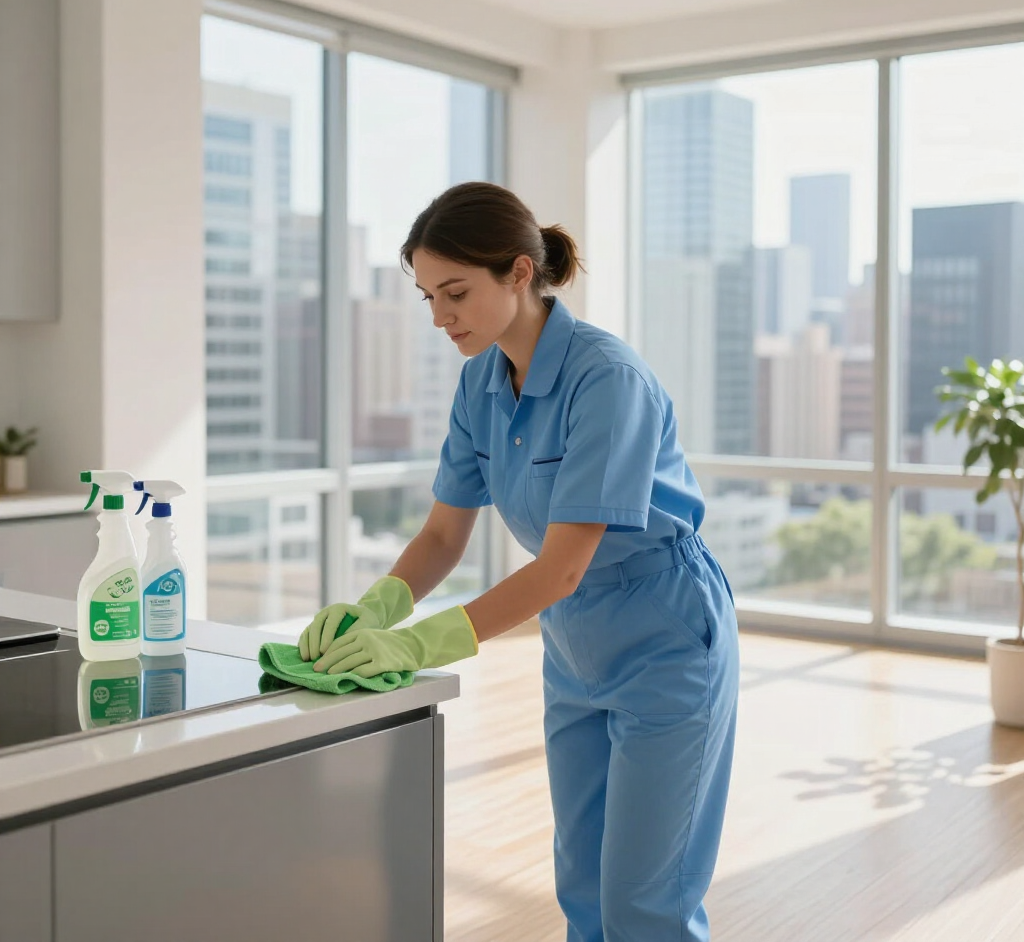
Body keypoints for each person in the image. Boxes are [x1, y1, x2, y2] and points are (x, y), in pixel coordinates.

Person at [298, 182, 740, 942]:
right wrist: (377, 607)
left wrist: (415, 645)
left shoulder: (608, 380)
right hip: (574, 641)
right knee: (584, 890)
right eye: (429, 297)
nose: (440, 317)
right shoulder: (480, 383)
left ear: (520, 274)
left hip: (666, 632)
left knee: (645, 901)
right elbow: (442, 537)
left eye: (456, 293)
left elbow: (561, 566)